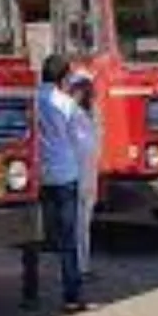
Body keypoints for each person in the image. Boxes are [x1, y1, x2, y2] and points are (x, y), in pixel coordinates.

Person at [21, 54, 87, 313]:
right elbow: (79, 141)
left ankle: (30, 293)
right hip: (65, 175)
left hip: (37, 175)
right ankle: (71, 296)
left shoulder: (31, 99)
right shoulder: (67, 103)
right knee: (68, 238)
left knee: (32, 237)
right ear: (63, 77)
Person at [68, 70, 99, 280]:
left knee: (85, 225)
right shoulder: (69, 111)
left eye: (86, 87)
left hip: (89, 175)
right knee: (76, 225)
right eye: (79, 88)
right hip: (75, 174)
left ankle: (84, 265)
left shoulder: (93, 112)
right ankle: (77, 268)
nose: (83, 92)